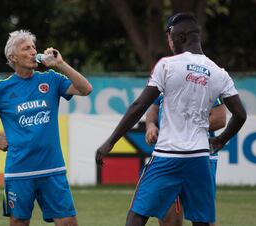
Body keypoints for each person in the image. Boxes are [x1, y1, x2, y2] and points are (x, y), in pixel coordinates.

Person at [95, 12, 246, 226]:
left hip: (168, 156)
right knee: (202, 221)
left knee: (137, 214)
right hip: (200, 159)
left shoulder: (167, 65)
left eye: (170, 36)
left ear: (181, 37)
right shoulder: (219, 73)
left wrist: (110, 141)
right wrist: (221, 140)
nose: (169, 41)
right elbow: (241, 114)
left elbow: (139, 105)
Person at [0, 30, 92, 226]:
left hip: (52, 168)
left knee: (68, 222)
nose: (33, 51)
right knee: (19, 222)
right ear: (12, 57)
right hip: (19, 171)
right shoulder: (0, 88)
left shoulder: (51, 79)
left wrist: (61, 65)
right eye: (26, 48)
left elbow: (86, 89)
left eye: (34, 47)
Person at [145, 95, 226, 226]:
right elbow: (153, 109)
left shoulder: (204, 80)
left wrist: (182, 131)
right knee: (168, 217)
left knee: (202, 217)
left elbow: (220, 118)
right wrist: (150, 126)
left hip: (199, 156)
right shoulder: (163, 81)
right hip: (168, 154)